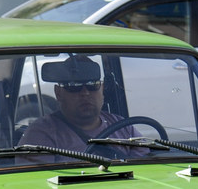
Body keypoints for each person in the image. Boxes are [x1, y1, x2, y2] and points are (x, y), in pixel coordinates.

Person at [18, 55, 149, 161]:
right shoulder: (41, 134)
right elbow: (39, 185)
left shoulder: (124, 127)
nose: (85, 93)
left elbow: (147, 167)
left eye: (92, 84)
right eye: (74, 86)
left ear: (102, 89)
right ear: (58, 93)